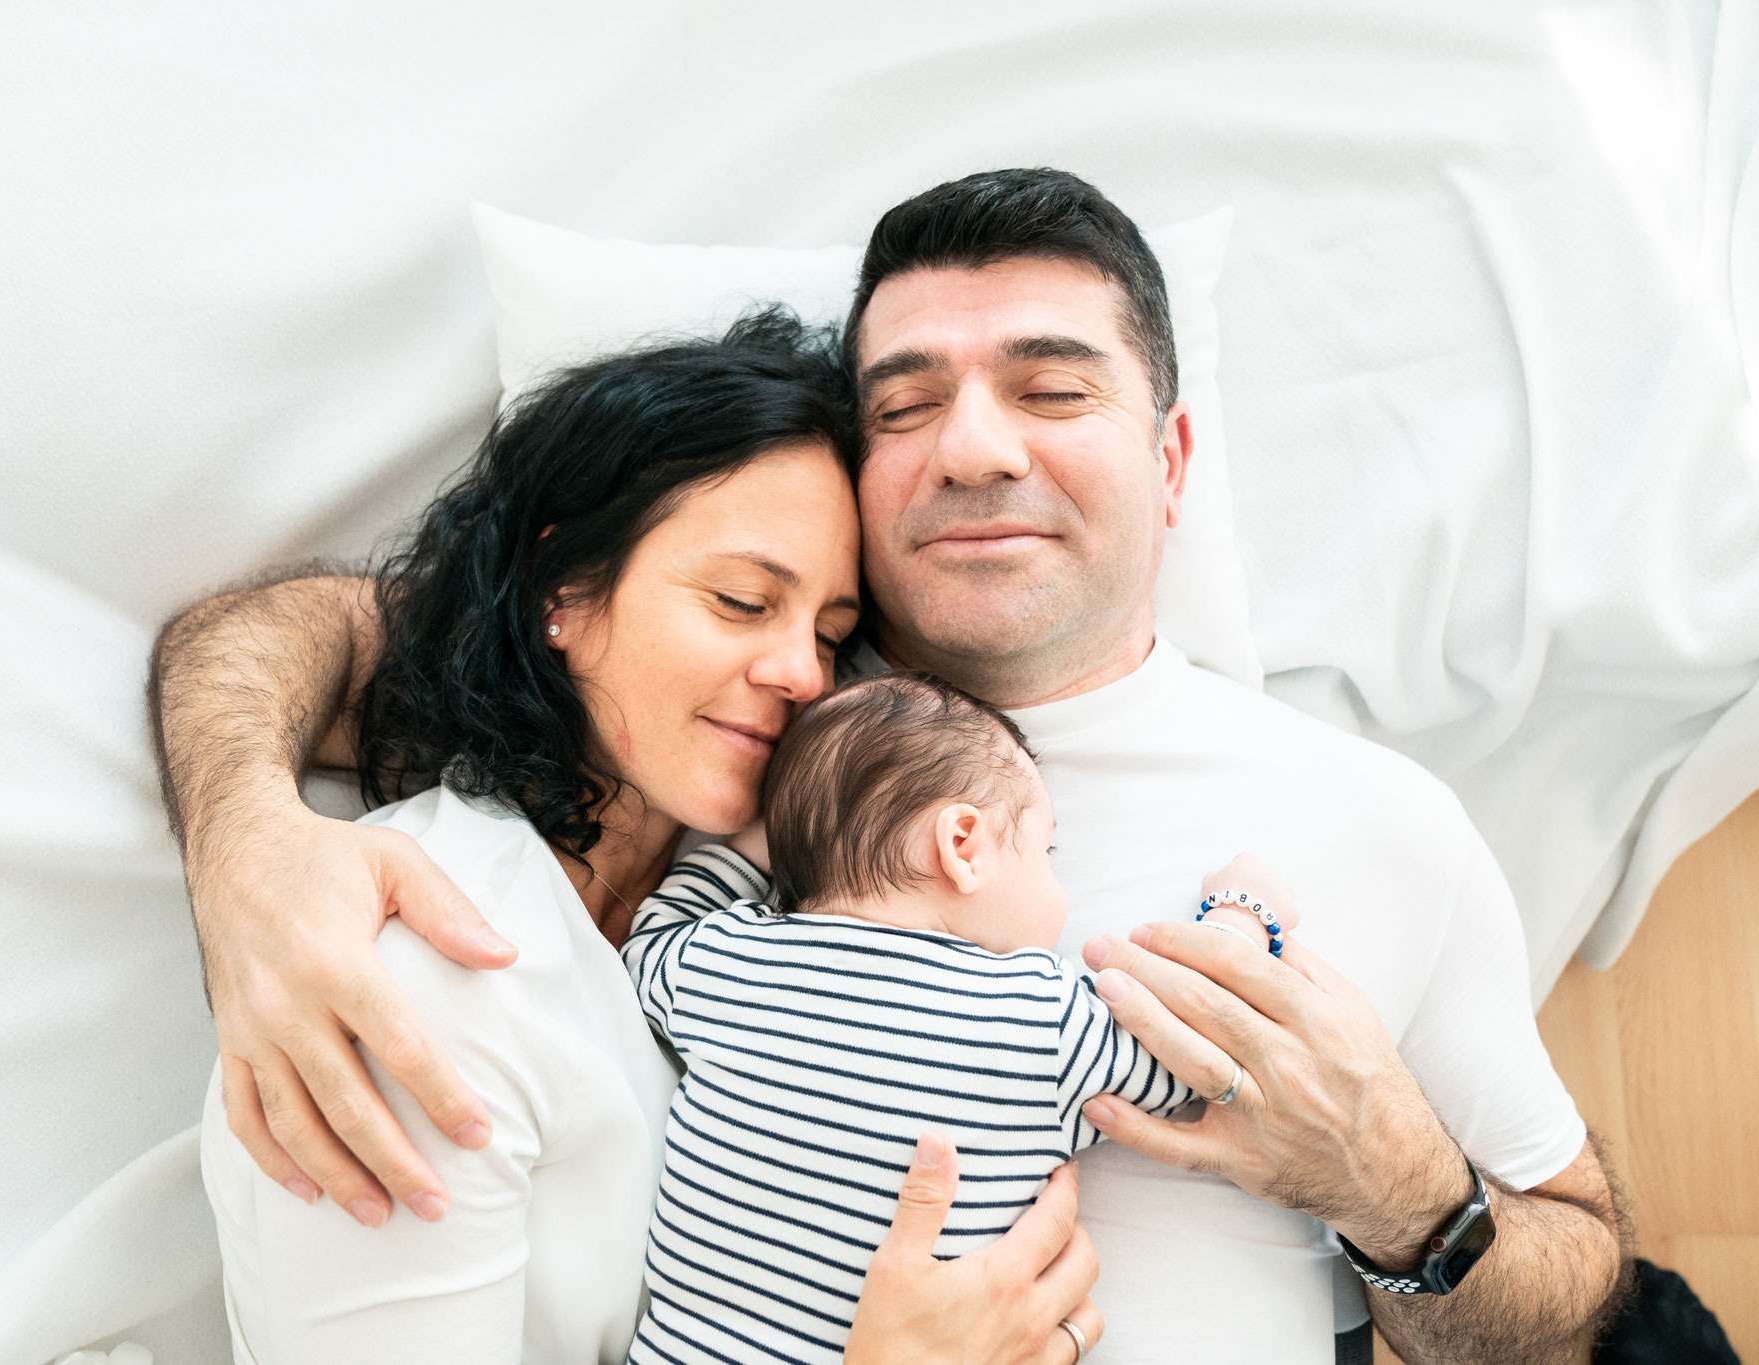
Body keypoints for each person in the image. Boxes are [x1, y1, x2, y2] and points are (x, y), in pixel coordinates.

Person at [150, 168, 1626, 1363]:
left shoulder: (1380, 822)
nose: (976, 447)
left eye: (1052, 389)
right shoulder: (787, 739)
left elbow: (1576, 1291)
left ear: (1175, 463)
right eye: (908, 405)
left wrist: (1406, 1198)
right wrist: (243, 834)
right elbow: (323, 628)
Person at [188, 310, 1102, 1364]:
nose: (804, 674)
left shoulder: (760, 892)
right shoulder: (418, 982)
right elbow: (289, 632)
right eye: (740, 599)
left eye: (830, 635)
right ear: (563, 592)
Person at [620, 671, 1295, 1364]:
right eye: (1044, 850)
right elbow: (1197, 1049)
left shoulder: (726, 961)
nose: (1055, 879)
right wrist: (1242, 916)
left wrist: (759, 844)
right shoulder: (1042, 1020)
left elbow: (647, 941)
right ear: (963, 844)